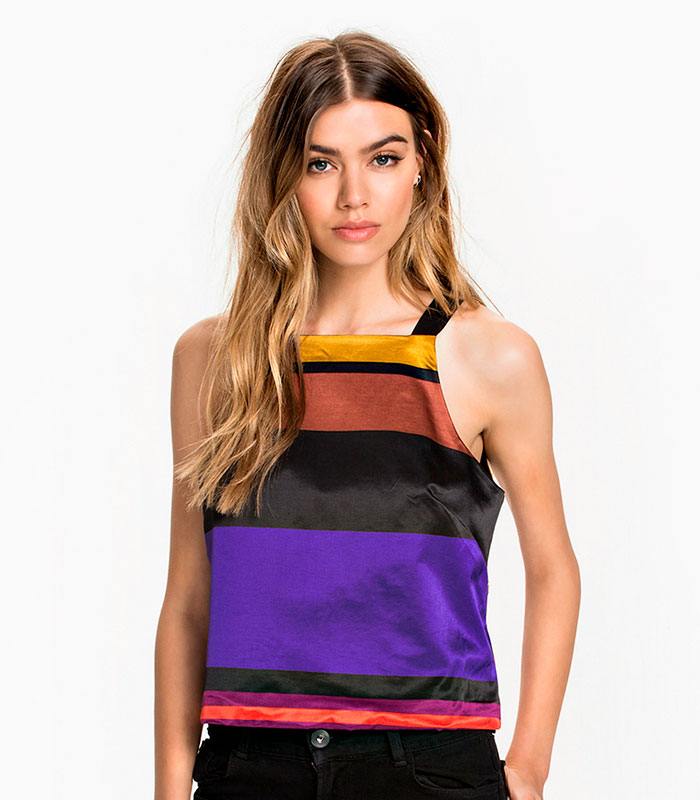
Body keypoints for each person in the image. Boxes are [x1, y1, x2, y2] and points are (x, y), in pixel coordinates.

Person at [154, 31, 581, 800]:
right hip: (249, 768)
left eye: (382, 158)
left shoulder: (486, 357)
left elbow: (553, 569)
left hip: (427, 767)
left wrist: (528, 769)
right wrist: (166, 790)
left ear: (422, 163)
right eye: (321, 163)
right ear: (283, 175)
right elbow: (188, 599)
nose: (354, 195)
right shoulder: (215, 360)